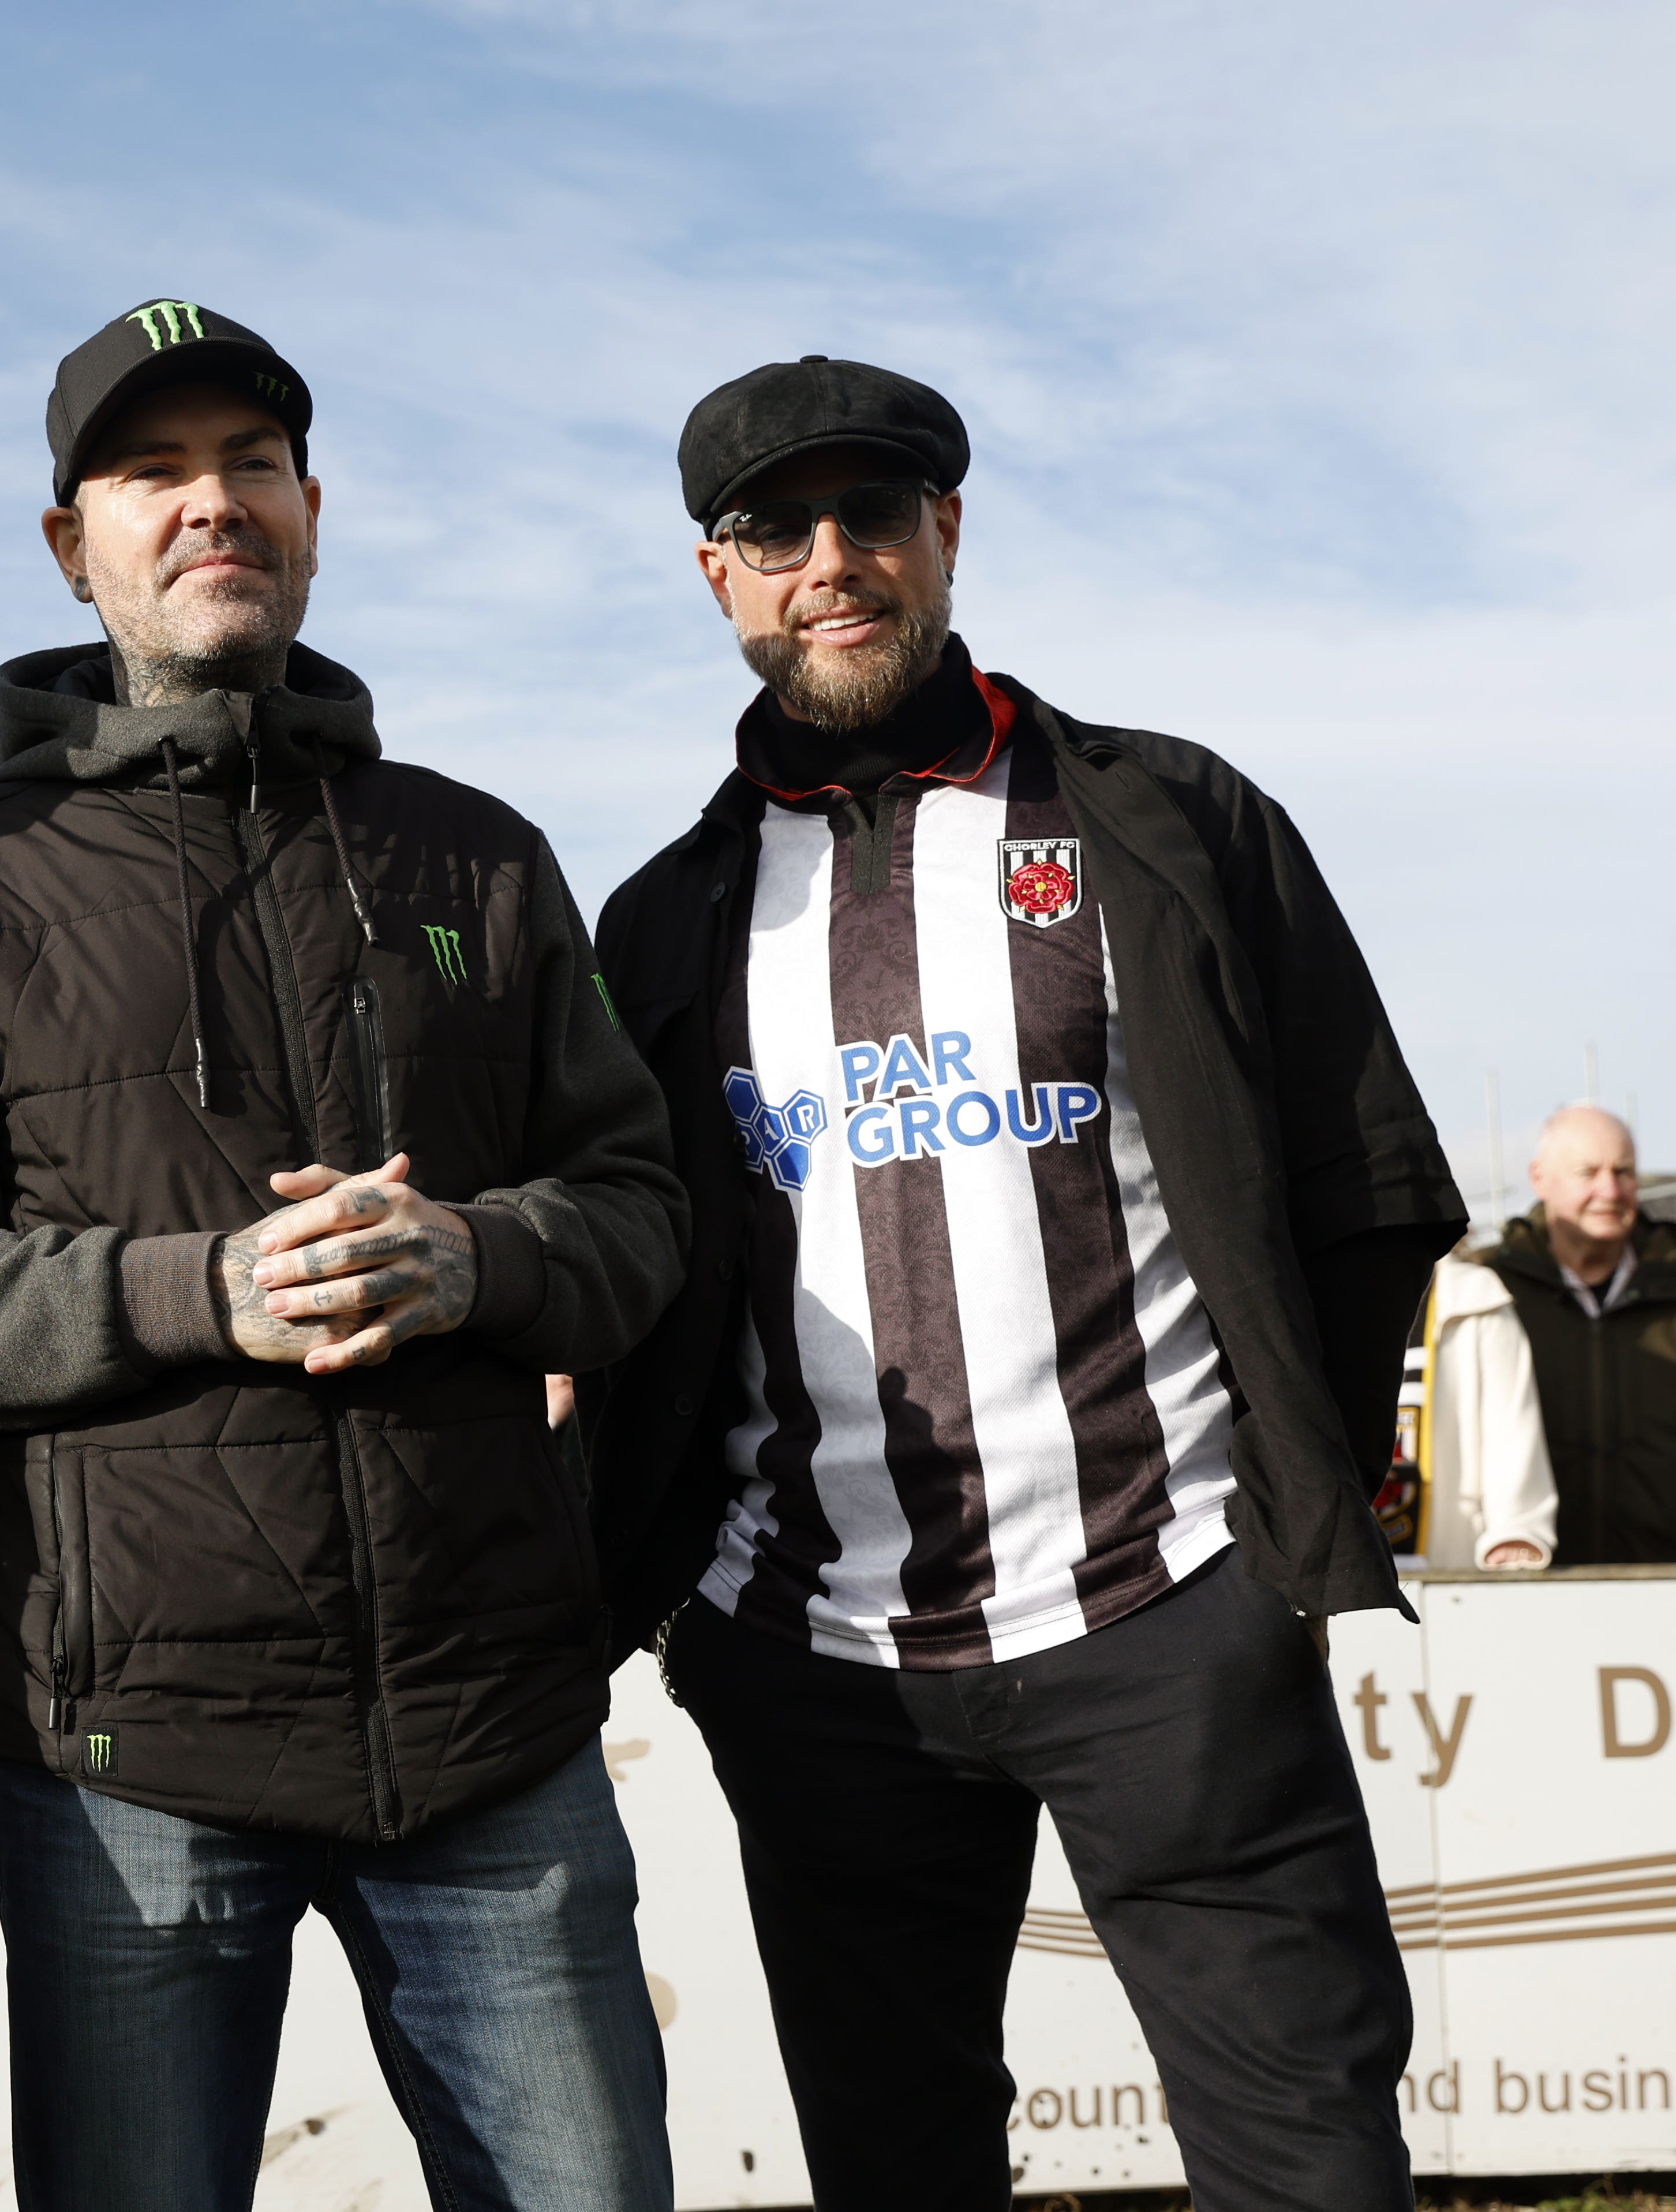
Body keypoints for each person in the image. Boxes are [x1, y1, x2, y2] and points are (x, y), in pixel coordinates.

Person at [0, 299, 690, 2212]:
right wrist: (190, 1289)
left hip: (495, 1745)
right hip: (129, 1758)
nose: (211, 504)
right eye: (149, 473)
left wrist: (477, 1258)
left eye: (249, 465)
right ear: (71, 541)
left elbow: (637, 1220)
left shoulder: (475, 859)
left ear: (309, 508)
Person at [589, 356, 1466, 2211]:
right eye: (774, 530)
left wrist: (1262, 1510)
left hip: (1168, 1617)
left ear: (946, 533)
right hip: (816, 1662)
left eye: (873, 516)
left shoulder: (1171, 819)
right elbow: (632, 1279)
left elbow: (1365, 1182)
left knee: (1306, 2151)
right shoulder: (662, 917)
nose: (830, 560)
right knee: (893, 2166)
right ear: (716, 576)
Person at [1460, 1108, 1676, 1564]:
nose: (1610, 1190)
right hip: (1530, 1581)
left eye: (1624, 1172)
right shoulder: (1489, 1295)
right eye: (1588, 1173)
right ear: (1539, 1178)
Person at [1412, 1245, 1557, 1568]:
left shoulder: (1471, 1294)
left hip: (1447, 1564)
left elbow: (1510, 1425)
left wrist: (1515, 1529)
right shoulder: (1310, 1292)